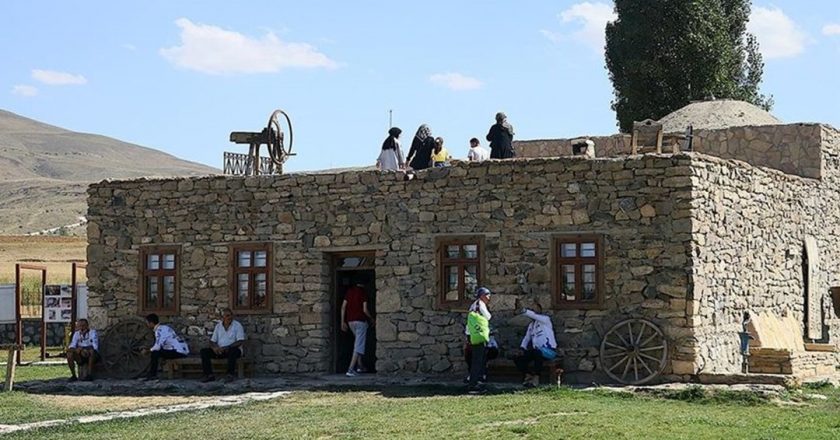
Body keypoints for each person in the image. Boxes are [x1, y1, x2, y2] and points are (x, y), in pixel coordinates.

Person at [513, 303, 557, 387]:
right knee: (517, 357)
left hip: (549, 351)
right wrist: (522, 348)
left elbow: (534, 315)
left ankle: (536, 377)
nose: (533, 312)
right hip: (536, 352)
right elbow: (526, 338)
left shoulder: (546, 320)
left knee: (537, 353)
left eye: (534, 309)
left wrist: (525, 311)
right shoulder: (531, 325)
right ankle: (528, 375)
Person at [200, 308, 246, 383]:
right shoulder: (218, 326)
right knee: (204, 352)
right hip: (220, 350)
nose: (230, 317)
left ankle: (230, 374)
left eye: (231, 315)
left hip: (232, 349)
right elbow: (212, 341)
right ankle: (209, 375)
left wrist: (227, 347)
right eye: (227, 316)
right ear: (223, 317)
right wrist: (215, 348)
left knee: (233, 351)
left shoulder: (237, 325)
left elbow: (240, 341)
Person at [142, 313, 189, 381]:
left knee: (155, 353)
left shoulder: (159, 330)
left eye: (147, 323)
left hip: (178, 352)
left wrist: (148, 351)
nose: (147, 324)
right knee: (157, 352)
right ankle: (152, 373)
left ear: (151, 323)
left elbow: (157, 346)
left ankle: (152, 374)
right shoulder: (164, 328)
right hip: (181, 350)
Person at [341, 282, 374, 377]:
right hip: (360, 321)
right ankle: (350, 369)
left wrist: (342, 321)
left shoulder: (349, 292)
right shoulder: (363, 293)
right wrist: (371, 319)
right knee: (359, 345)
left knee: (357, 343)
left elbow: (343, 307)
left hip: (350, 321)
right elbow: (365, 310)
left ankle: (360, 366)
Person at [465, 287, 492, 390]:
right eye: (487, 295)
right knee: (478, 359)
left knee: (477, 358)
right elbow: (488, 316)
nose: (489, 297)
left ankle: (476, 380)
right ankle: (473, 384)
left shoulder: (474, 305)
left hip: (471, 334)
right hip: (477, 335)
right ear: (482, 296)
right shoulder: (480, 304)